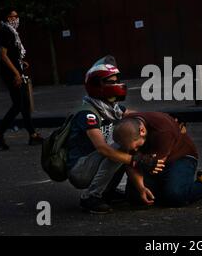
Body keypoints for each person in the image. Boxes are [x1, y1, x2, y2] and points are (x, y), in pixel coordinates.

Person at [66, 56, 165, 214]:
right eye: (111, 82)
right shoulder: (88, 113)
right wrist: (137, 160)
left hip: (93, 163)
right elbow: (103, 150)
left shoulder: (112, 108)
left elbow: (138, 116)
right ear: (97, 85)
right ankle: (90, 197)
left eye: (116, 81)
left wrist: (163, 120)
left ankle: (110, 190)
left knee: (128, 135)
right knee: (122, 144)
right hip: (80, 169)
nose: (116, 85)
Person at [113, 112, 202, 207]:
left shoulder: (163, 131)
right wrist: (141, 188)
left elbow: (156, 166)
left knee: (175, 196)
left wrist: (137, 159)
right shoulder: (125, 128)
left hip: (180, 156)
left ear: (142, 131)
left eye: (136, 147)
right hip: (148, 160)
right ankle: (165, 189)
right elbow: (130, 163)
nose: (135, 150)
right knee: (135, 197)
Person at [0, 8, 43, 150]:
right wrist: (16, 74)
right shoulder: (5, 32)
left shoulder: (12, 32)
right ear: (6, 18)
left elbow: (12, 54)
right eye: (12, 16)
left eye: (16, 16)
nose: (15, 19)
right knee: (18, 105)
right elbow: (4, 55)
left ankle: (33, 135)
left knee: (24, 103)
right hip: (10, 73)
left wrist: (20, 62)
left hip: (15, 70)